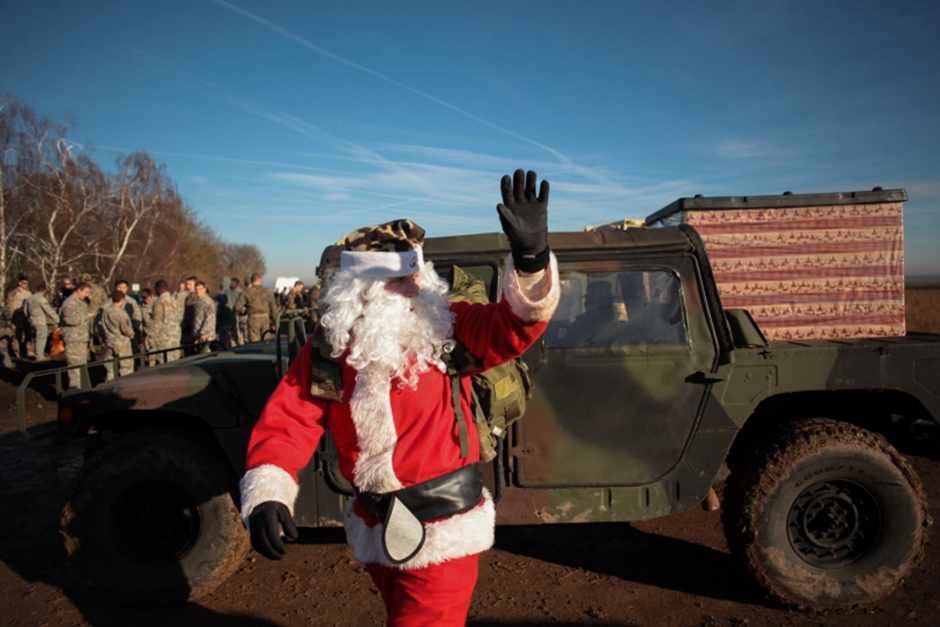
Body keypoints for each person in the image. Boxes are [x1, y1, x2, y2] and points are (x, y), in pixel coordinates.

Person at [239, 170, 559, 626]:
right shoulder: (331, 350)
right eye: (400, 283)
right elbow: (292, 417)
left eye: (417, 277)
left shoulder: (448, 326)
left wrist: (530, 259)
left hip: (445, 529)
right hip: (376, 528)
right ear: (360, 292)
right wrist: (269, 491)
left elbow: (514, 327)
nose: (417, 290)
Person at [59, 282, 94, 389]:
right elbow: (70, 320)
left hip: (80, 339)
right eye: (86, 292)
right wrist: (86, 316)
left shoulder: (79, 302)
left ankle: (82, 388)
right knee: (75, 367)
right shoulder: (70, 303)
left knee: (81, 365)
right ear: (79, 290)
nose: (87, 295)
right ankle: (75, 390)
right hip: (73, 339)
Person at [101, 290, 135, 382]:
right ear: (122, 299)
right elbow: (125, 329)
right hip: (121, 344)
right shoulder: (121, 313)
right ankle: (126, 386)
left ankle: (109, 385)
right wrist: (131, 334)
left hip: (110, 342)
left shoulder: (105, 312)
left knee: (111, 368)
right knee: (126, 367)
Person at [234, 273, 278, 343]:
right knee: (266, 341)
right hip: (265, 319)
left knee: (254, 343)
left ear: (251, 281)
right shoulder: (268, 292)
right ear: (260, 280)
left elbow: (237, 307)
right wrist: (275, 322)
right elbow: (273, 308)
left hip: (253, 319)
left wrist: (244, 311)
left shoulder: (247, 292)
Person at [25, 283, 59, 360]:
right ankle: (39, 356)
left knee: (34, 337)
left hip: (32, 321)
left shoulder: (29, 298)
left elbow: (25, 310)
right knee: (41, 338)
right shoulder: (41, 299)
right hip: (40, 321)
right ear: (44, 291)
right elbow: (49, 310)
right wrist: (57, 319)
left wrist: (29, 318)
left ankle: (35, 352)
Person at [151, 280, 180, 364]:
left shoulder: (159, 302)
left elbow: (157, 323)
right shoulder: (174, 300)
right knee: (175, 362)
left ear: (157, 289)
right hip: (175, 335)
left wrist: (151, 338)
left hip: (164, 338)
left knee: (165, 363)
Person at [5, 276, 31, 358]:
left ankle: (28, 351)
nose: (26, 285)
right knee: (17, 334)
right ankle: (16, 351)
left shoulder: (29, 293)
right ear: (19, 283)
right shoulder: (13, 293)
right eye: (24, 283)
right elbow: (9, 305)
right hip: (17, 315)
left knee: (28, 333)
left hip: (27, 315)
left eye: (27, 283)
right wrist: (11, 316)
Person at [192, 280, 217, 352]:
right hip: (198, 336)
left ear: (204, 290)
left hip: (206, 336)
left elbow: (209, 319)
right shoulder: (197, 302)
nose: (198, 291)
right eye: (196, 289)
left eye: (200, 289)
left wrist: (203, 333)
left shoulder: (208, 302)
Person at [230, 277, 246, 346]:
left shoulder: (241, 292)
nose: (231, 284)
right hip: (231, 315)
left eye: (233, 283)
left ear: (236, 284)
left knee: (239, 332)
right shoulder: (228, 292)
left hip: (239, 315)